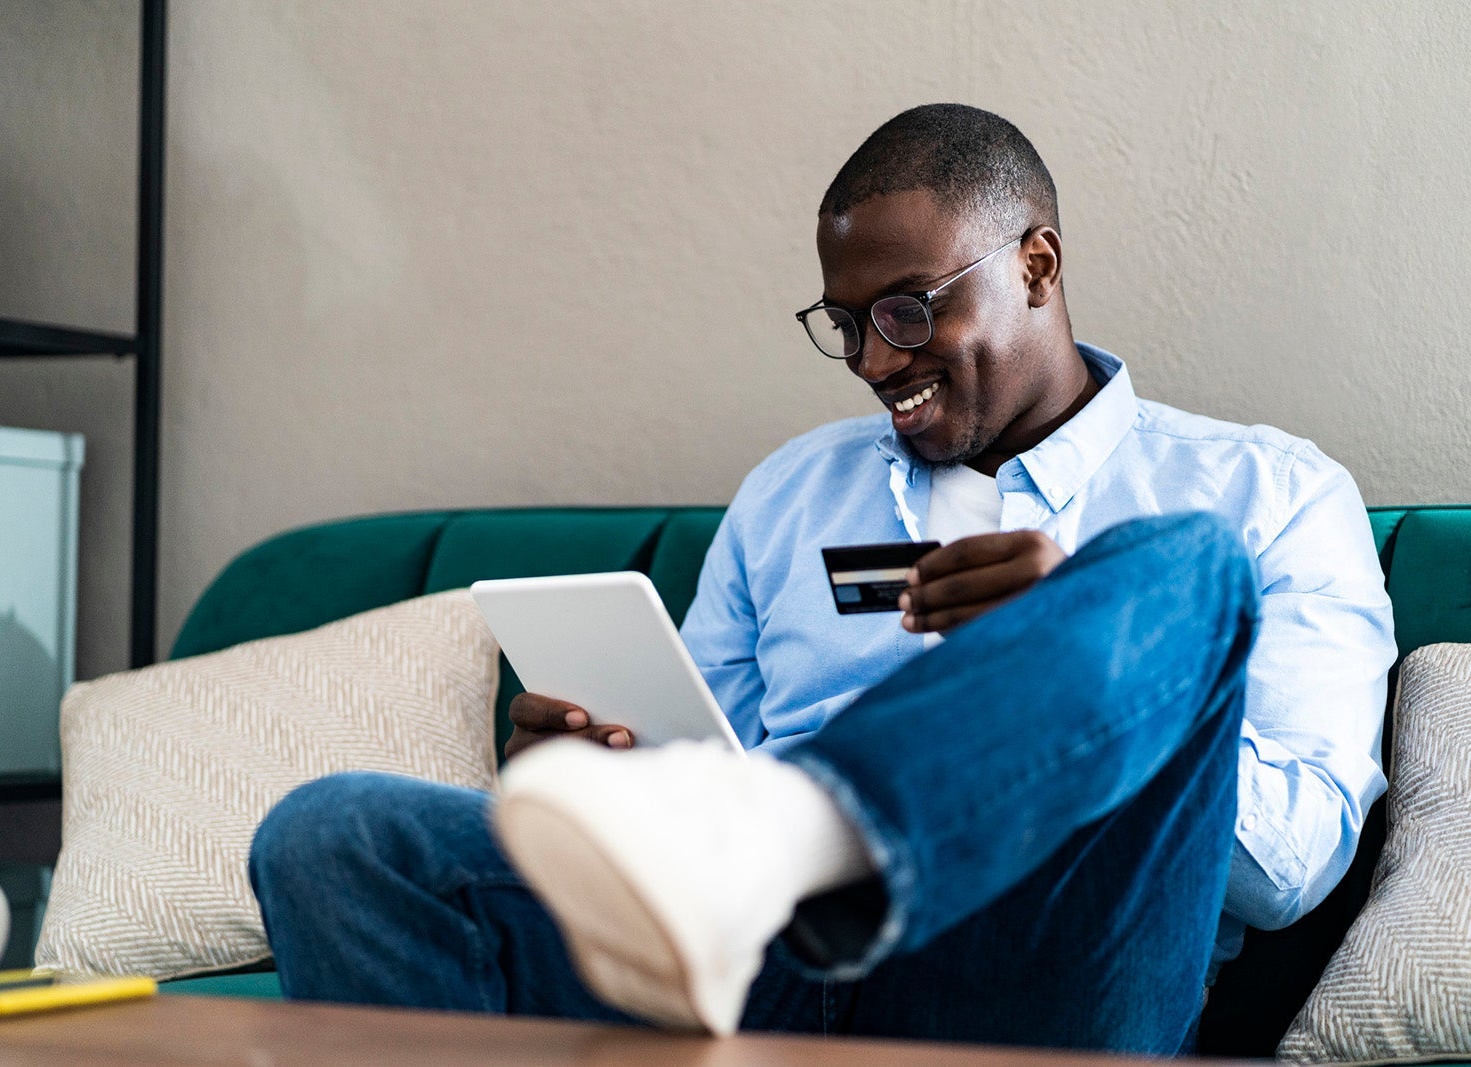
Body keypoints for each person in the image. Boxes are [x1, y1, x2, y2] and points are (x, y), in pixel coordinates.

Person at [249, 104, 1394, 1055]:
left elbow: (1290, 863)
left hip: (1046, 971)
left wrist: (1072, 641)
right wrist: (597, 782)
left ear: (1036, 264)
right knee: (332, 834)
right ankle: (776, 848)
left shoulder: (1270, 491)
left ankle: (808, 830)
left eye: (907, 308)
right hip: (769, 968)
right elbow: (694, 754)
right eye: (845, 324)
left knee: (1180, 569)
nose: (876, 362)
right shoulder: (791, 495)